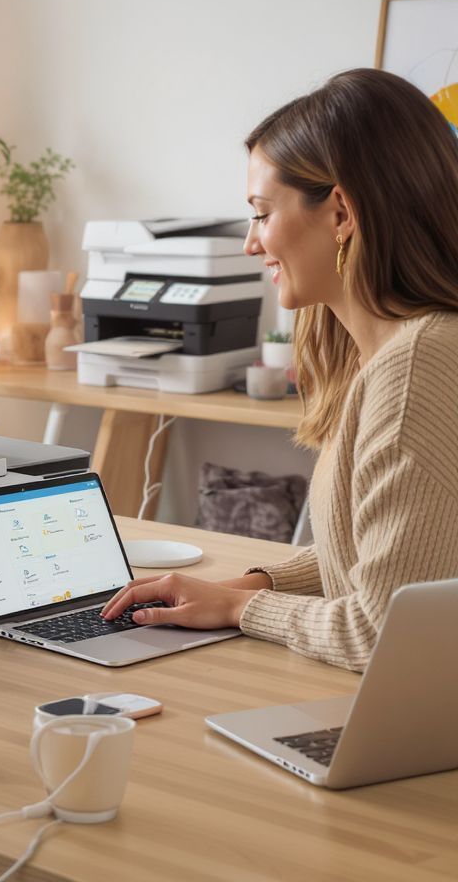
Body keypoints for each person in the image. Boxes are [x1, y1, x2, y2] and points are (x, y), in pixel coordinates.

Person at [102, 68, 458, 672]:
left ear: (341, 213)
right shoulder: (399, 349)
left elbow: (382, 633)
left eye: (262, 214)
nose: (250, 242)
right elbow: (392, 559)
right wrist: (256, 584)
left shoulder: (415, 370)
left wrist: (239, 611)